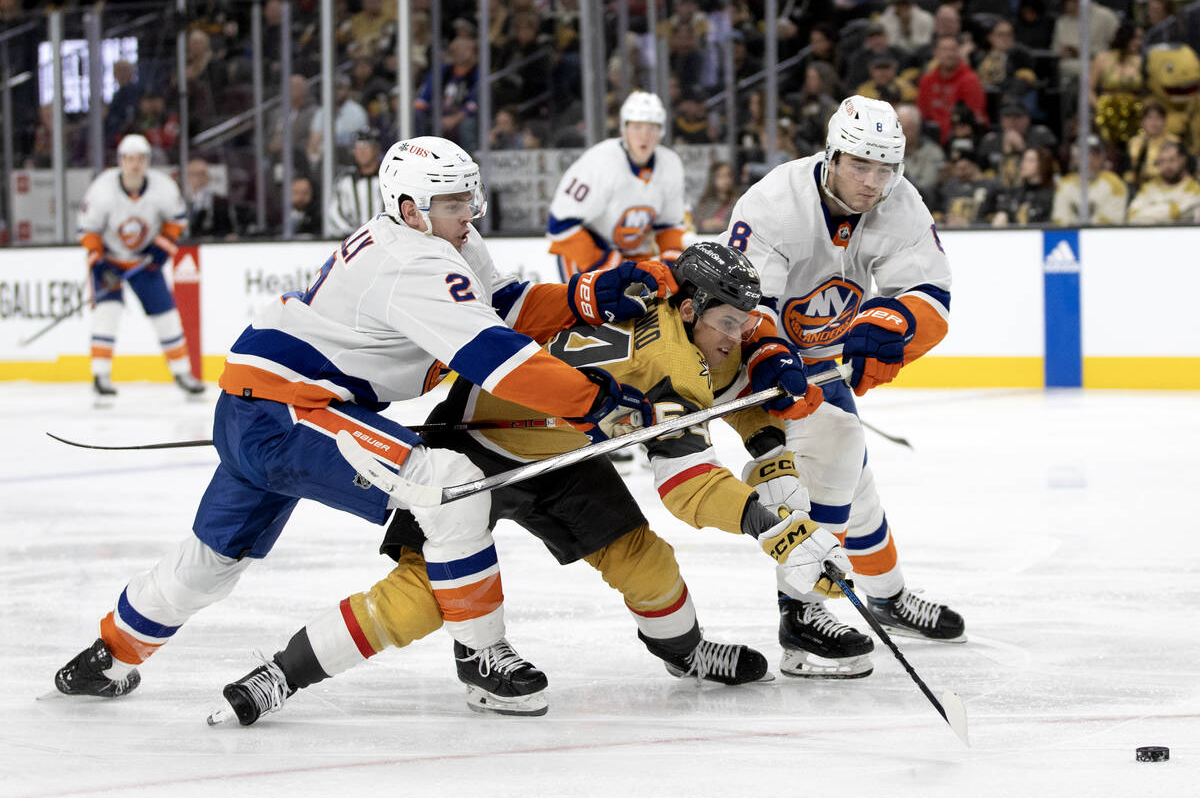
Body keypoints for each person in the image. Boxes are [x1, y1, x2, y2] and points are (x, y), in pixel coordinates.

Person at [53, 136, 674, 715]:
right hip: (288, 414)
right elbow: (497, 358)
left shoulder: (443, 242)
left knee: (212, 561)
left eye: (470, 196)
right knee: (450, 485)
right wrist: (596, 402)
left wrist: (590, 294)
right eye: (455, 201)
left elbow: (502, 308)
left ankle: (107, 657)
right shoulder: (413, 262)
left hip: (262, 403)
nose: (470, 212)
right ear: (409, 208)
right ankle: (482, 655)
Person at [207, 242, 849, 726]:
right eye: (731, 324)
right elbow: (687, 485)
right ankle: (279, 676)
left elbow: (736, 354)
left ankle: (686, 653)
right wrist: (773, 524)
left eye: (745, 323)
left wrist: (766, 348)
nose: (738, 336)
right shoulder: (674, 363)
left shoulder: (673, 306)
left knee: (644, 562)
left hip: (562, 456)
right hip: (468, 449)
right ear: (689, 309)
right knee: (420, 598)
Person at [724, 95, 965, 679]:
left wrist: (896, 323)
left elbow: (929, 292)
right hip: (748, 357)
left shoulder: (899, 200)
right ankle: (802, 619)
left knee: (854, 483)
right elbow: (740, 309)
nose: (873, 182)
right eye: (861, 165)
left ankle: (885, 596)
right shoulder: (774, 203)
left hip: (819, 360)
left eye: (886, 169)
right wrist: (775, 357)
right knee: (829, 457)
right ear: (831, 155)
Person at [77, 133, 204, 400]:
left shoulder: (163, 187)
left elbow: (176, 221)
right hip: (109, 260)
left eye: (140, 159)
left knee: (166, 315)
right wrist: (99, 265)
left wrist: (160, 249)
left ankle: (182, 373)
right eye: (130, 159)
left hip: (144, 262)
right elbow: (88, 231)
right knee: (107, 313)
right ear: (121, 161)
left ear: (147, 161)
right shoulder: (102, 189)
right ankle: (100, 375)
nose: (135, 164)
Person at [547, 91, 686, 281]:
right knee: (585, 310)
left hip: (633, 257)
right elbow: (560, 224)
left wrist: (672, 267)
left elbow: (669, 225)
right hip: (587, 254)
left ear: (661, 131)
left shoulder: (670, 164)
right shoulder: (600, 161)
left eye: (652, 128)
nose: (644, 135)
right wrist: (607, 264)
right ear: (624, 129)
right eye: (637, 127)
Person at [1051, 134, 1128, 225]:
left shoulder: (1114, 183)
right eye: (1083, 154)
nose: (1089, 159)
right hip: (1071, 237)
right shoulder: (1065, 184)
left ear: (1102, 157)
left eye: (1095, 154)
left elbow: (1112, 219)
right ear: (1075, 158)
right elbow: (1059, 218)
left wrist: (1086, 231)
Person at [326, 128, 385, 236]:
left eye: (366, 146)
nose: (361, 151)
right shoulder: (345, 181)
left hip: (387, 239)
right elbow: (335, 213)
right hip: (353, 242)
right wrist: (353, 234)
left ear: (376, 149)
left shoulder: (388, 178)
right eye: (357, 147)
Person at [1126, 140, 1200, 223]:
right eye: (1162, 161)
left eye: (1171, 160)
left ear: (1183, 160)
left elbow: (1177, 214)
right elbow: (1132, 215)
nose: (1166, 166)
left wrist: (1150, 209)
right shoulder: (1148, 188)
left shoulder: (1195, 189)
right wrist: (1170, 209)